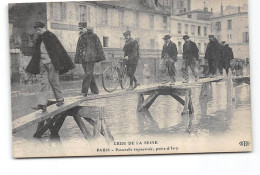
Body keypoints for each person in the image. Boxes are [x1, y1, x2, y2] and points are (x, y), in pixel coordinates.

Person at [26, 22, 75, 111]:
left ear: (41, 29)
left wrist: (57, 63)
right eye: (36, 31)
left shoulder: (50, 36)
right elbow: (37, 53)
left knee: (54, 81)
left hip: (52, 63)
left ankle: (60, 99)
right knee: (43, 82)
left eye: (38, 30)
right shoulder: (39, 38)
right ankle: (42, 104)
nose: (37, 32)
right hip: (42, 63)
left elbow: (58, 50)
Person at [75, 22, 106, 96]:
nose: (80, 30)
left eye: (81, 28)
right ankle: (95, 91)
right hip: (83, 59)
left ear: (86, 28)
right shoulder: (81, 37)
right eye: (79, 29)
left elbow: (99, 46)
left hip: (91, 58)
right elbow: (78, 48)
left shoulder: (93, 36)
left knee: (88, 74)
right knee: (89, 74)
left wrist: (100, 56)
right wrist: (78, 58)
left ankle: (84, 91)